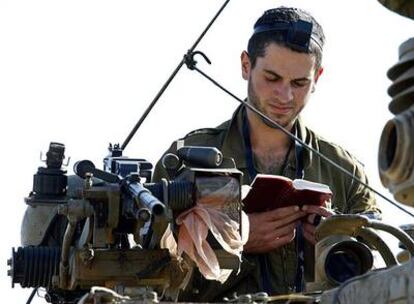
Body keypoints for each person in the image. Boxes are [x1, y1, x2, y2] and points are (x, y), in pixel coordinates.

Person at [153, 6, 380, 301]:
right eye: (272, 78)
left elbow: (379, 273)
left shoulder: (343, 172)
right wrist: (236, 242)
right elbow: (153, 277)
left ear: (318, 77)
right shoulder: (185, 161)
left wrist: (337, 245)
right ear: (246, 65)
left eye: (299, 83)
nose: (285, 97)